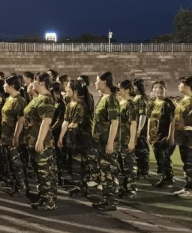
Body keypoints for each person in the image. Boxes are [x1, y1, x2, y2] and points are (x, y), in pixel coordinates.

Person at [24, 72, 57, 211]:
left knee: (45, 172)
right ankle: (43, 198)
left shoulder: (46, 99)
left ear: (42, 83)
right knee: (39, 172)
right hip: (33, 140)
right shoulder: (38, 98)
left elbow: (46, 121)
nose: (33, 83)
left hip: (43, 142)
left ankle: (49, 201)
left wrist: (40, 141)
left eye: (35, 81)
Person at [58, 79, 97, 198]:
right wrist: (61, 136)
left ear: (74, 91)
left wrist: (66, 134)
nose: (66, 89)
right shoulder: (70, 103)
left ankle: (83, 188)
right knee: (75, 164)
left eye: (68, 87)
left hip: (82, 140)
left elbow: (74, 124)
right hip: (74, 139)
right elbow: (66, 121)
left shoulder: (80, 105)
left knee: (83, 165)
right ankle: (77, 187)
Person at [92, 71, 121, 211]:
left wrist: (110, 142)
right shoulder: (103, 98)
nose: (95, 83)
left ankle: (111, 202)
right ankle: (106, 199)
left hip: (107, 142)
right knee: (104, 172)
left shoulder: (111, 99)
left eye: (97, 81)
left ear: (104, 82)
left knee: (109, 172)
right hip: (101, 142)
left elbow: (114, 122)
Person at [0, 74, 27, 197]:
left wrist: (16, 137)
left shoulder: (19, 101)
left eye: (5, 84)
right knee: (10, 163)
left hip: (13, 137)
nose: (3, 86)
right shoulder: (9, 98)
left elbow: (20, 120)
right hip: (6, 136)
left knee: (17, 164)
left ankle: (22, 187)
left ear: (11, 86)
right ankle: (15, 185)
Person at [173, 76, 192, 198]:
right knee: (186, 164)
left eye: (180, 84)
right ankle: (188, 187)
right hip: (182, 138)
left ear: (187, 86)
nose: (178, 86)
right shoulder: (182, 100)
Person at [148, 80, 176, 188]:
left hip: (165, 136)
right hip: (155, 136)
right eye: (155, 87)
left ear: (165, 89)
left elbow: (172, 121)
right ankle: (163, 177)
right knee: (159, 158)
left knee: (165, 158)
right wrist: (148, 134)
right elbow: (149, 119)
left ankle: (169, 179)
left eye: (160, 87)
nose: (158, 89)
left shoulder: (168, 104)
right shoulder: (152, 103)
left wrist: (170, 136)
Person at [117, 80, 139, 198]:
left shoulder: (130, 104)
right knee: (120, 165)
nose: (118, 90)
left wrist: (132, 141)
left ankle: (131, 189)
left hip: (126, 139)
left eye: (120, 88)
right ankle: (122, 187)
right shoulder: (120, 102)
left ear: (127, 90)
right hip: (119, 139)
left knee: (128, 165)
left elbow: (133, 124)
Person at [132, 79, 150, 178]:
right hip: (135, 127)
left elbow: (142, 115)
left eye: (134, 86)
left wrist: (139, 129)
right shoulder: (137, 98)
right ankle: (140, 170)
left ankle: (143, 172)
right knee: (137, 150)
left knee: (142, 150)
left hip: (140, 129)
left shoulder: (141, 99)